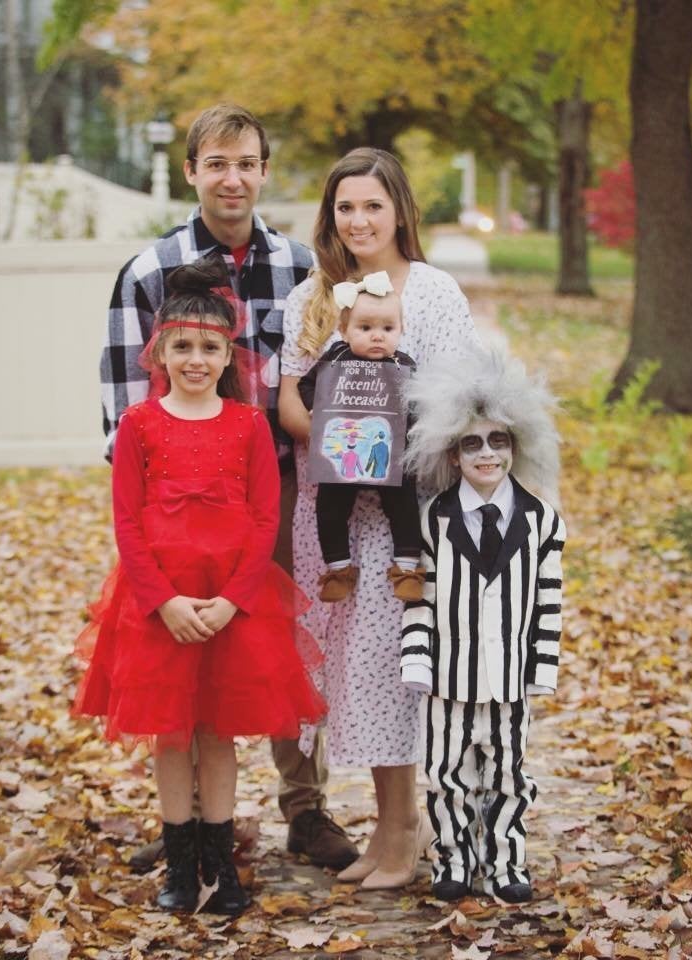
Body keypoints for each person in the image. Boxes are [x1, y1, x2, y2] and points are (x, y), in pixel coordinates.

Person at [101, 102, 357, 871]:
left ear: (264, 171)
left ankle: (305, 809)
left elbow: (333, 375)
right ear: (192, 173)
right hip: (178, 503)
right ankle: (194, 828)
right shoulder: (149, 273)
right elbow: (122, 408)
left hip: (277, 487)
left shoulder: (302, 271)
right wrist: (147, 515)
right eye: (217, 163)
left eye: (246, 163)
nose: (233, 178)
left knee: (276, 647)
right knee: (180, 650)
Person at [74, 260, 326, 916]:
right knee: (170, 736)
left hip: (231, 608)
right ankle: (180, 865)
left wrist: (232, 599)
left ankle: (223, 865)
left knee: (217, 734)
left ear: (227, 355)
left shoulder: (247, 427)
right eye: (181, 346)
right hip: (160, 608)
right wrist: (164, 599)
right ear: (158, 351)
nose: (195, 358)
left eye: (209, 347)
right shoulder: (139, 425)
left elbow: (266, 518)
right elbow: (127, 520)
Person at [279, 147, 480, 889]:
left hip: (408, 515)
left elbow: (465, 398)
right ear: (329, 215)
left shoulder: (433, 292)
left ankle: (405, 833)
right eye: (344, 207)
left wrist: (398, 443)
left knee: (402, 670)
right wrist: (337, 438)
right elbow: (290, 398)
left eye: (372, 205)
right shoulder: (313, 298)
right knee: (356, 675)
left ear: (399, 210)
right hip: (333, 516)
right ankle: (384, 829)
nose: (358, 220)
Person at [400, 344, 566, 904]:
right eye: (472, 443)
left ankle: (505, 861)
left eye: (498, 440)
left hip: (511, 679)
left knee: (509, 777)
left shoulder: (541, 520)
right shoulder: (435, 519)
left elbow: (548, 597)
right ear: (453, 453)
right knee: (447, 775)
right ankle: (453, 859)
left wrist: (542, 667)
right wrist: (417, 660)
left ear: (518, 445)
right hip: (449, 678)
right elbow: (420, 597)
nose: (487, 453)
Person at [296, 274, 424, 603]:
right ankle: (338, 568)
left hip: (389, 453)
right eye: (365, 328)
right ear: (344, 330)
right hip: (344, 453)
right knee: (329, 503)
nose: (377, 337)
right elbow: (305, 386)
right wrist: (318, 408)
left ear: (401, 329)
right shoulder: (336, 359)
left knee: (406, 502)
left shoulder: (404, 365)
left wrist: (411, 423)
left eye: (387, 328)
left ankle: (407, 567)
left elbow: (422, 403)